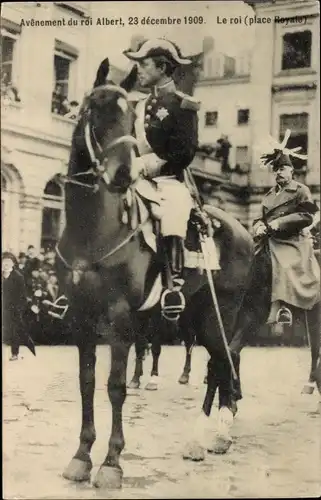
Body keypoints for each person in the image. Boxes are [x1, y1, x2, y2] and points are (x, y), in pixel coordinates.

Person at [123, 38, 200, 299]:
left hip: (168, 179)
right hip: (136, 177)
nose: (139, 71)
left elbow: (185, 152)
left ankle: (173, 284)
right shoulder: (139, 105)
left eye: (143, 65)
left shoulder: (183, 105)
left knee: (174, 212)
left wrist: (152, 164)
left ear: (162, 67)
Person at [253, 130, 320, 325]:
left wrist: (280, 222)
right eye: (276, 169)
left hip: (293, 241)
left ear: (292, 171)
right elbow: (258, 217)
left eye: (282, 168)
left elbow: (307, 215)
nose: (278, 173)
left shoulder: (301, 191)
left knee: (282, 262)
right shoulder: (268, 195)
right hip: (269, 239)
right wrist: (258, 226)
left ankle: (283, 308)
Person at [2, 252, 35, 360]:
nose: (5, 265)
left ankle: (14, 353)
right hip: (3, 306)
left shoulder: (18, 276)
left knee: (14, 330)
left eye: (8, 262)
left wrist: (19, 308)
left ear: (13, 264)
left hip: (13, 308)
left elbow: (22, 295)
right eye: (3, 262)